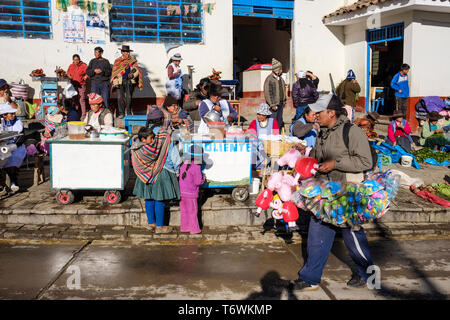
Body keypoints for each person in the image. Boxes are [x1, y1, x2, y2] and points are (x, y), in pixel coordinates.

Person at [291, 94, 374, 291]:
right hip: (324, 192)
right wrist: (306, 156)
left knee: (353, 237)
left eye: (319, 112)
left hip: (346, 192)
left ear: (332, 113)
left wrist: (335, 164)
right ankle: (310, 277)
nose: (315, 115)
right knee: (316, 236)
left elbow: (366, 162)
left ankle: (366, 273)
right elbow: (318, 156)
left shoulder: (352, 132)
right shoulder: (323, 131)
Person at [132, 107, 181, 233]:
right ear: (161, 120)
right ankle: (160, 226)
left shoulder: (142, 135)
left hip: (145, 172)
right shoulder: (164, 135)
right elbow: (173, 156)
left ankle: (151, 223)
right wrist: (176, 170)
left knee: (149, 198)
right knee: (160, 199)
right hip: (161, 170)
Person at [179, 144, 205, 234]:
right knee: (192, 212)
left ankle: (184, 228)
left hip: (182, 193)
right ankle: (194, 229)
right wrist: (204, 178)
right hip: (191, 194)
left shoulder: (183, 164)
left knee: (184, 211)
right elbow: (198, 182)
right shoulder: (196, 167)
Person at [111, 45, 143, 119]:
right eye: (125, 52)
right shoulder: (117, 61)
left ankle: (128, 112)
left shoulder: (132, 60)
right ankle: (121, 113)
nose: (127, 53)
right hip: (119, 81)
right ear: (122, 52)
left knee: (129, 97)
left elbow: (137, 70)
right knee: (120, 97)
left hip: (129, 81)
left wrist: (133, 75)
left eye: (128, 52)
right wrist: (115, 83)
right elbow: (114, 73)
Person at [0, 103, 26, 193]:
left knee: (14, 157)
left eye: (14, 113)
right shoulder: (1, 123)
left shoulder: (18, 122)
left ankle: (13, 181)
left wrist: (13, 145)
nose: (14, 115)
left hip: (16, 146)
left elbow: (21, 137)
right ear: (4, 115)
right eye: (11, 114)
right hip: (3, 146)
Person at [247, 103, 280, 175]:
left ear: (266, 115)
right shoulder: (254, 123)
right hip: (258, 147)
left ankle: (273, 171)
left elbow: (276, 135)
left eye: (262, 115)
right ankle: (257, 170)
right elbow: (252, 136)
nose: (259, 116)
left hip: (270, 146)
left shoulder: (273, 122)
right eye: (258, 114)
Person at [264, 58, 286, 130]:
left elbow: (283, 90)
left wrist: (284, 100)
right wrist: (272, 104)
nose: (281, 71)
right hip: (273, 105)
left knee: (279, 122)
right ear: (276, 69)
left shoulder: (281, 79)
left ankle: (278, 136)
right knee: (273, 122)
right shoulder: (270, 79)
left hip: (280, 104)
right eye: (280, 69)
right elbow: (268, 92)